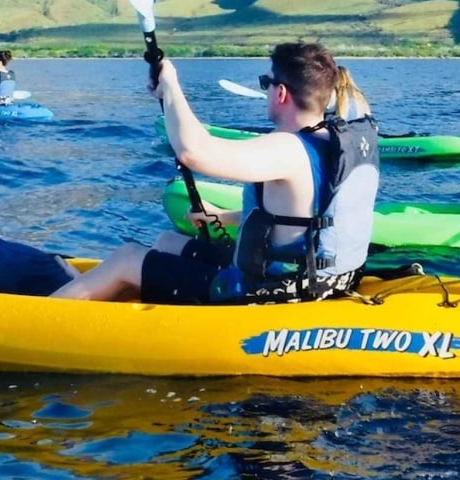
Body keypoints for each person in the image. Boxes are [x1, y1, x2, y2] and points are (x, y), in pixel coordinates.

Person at [49, 42, 380, 303]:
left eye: (267, 83)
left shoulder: (288, 148)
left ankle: (43, 316)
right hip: (314, 278)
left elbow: (193, 152)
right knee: (166, 240)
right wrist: (223, 215)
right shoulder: (334, 141)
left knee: (126, 258)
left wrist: (172, 84)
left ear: (280, 93)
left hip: (269, 290)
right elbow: (299, 217)